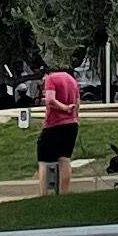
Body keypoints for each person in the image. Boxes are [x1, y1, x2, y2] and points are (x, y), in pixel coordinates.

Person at [36, 62, 83, 195]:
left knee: (43, 160)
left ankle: (43, 194)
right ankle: (64, 193)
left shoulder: (51, 78)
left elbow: (50, 100)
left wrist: (65, 108)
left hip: (54, 124)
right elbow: (78, 102)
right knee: (65, 159)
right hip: (72, 125)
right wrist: (74, 116)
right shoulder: (72, 80)